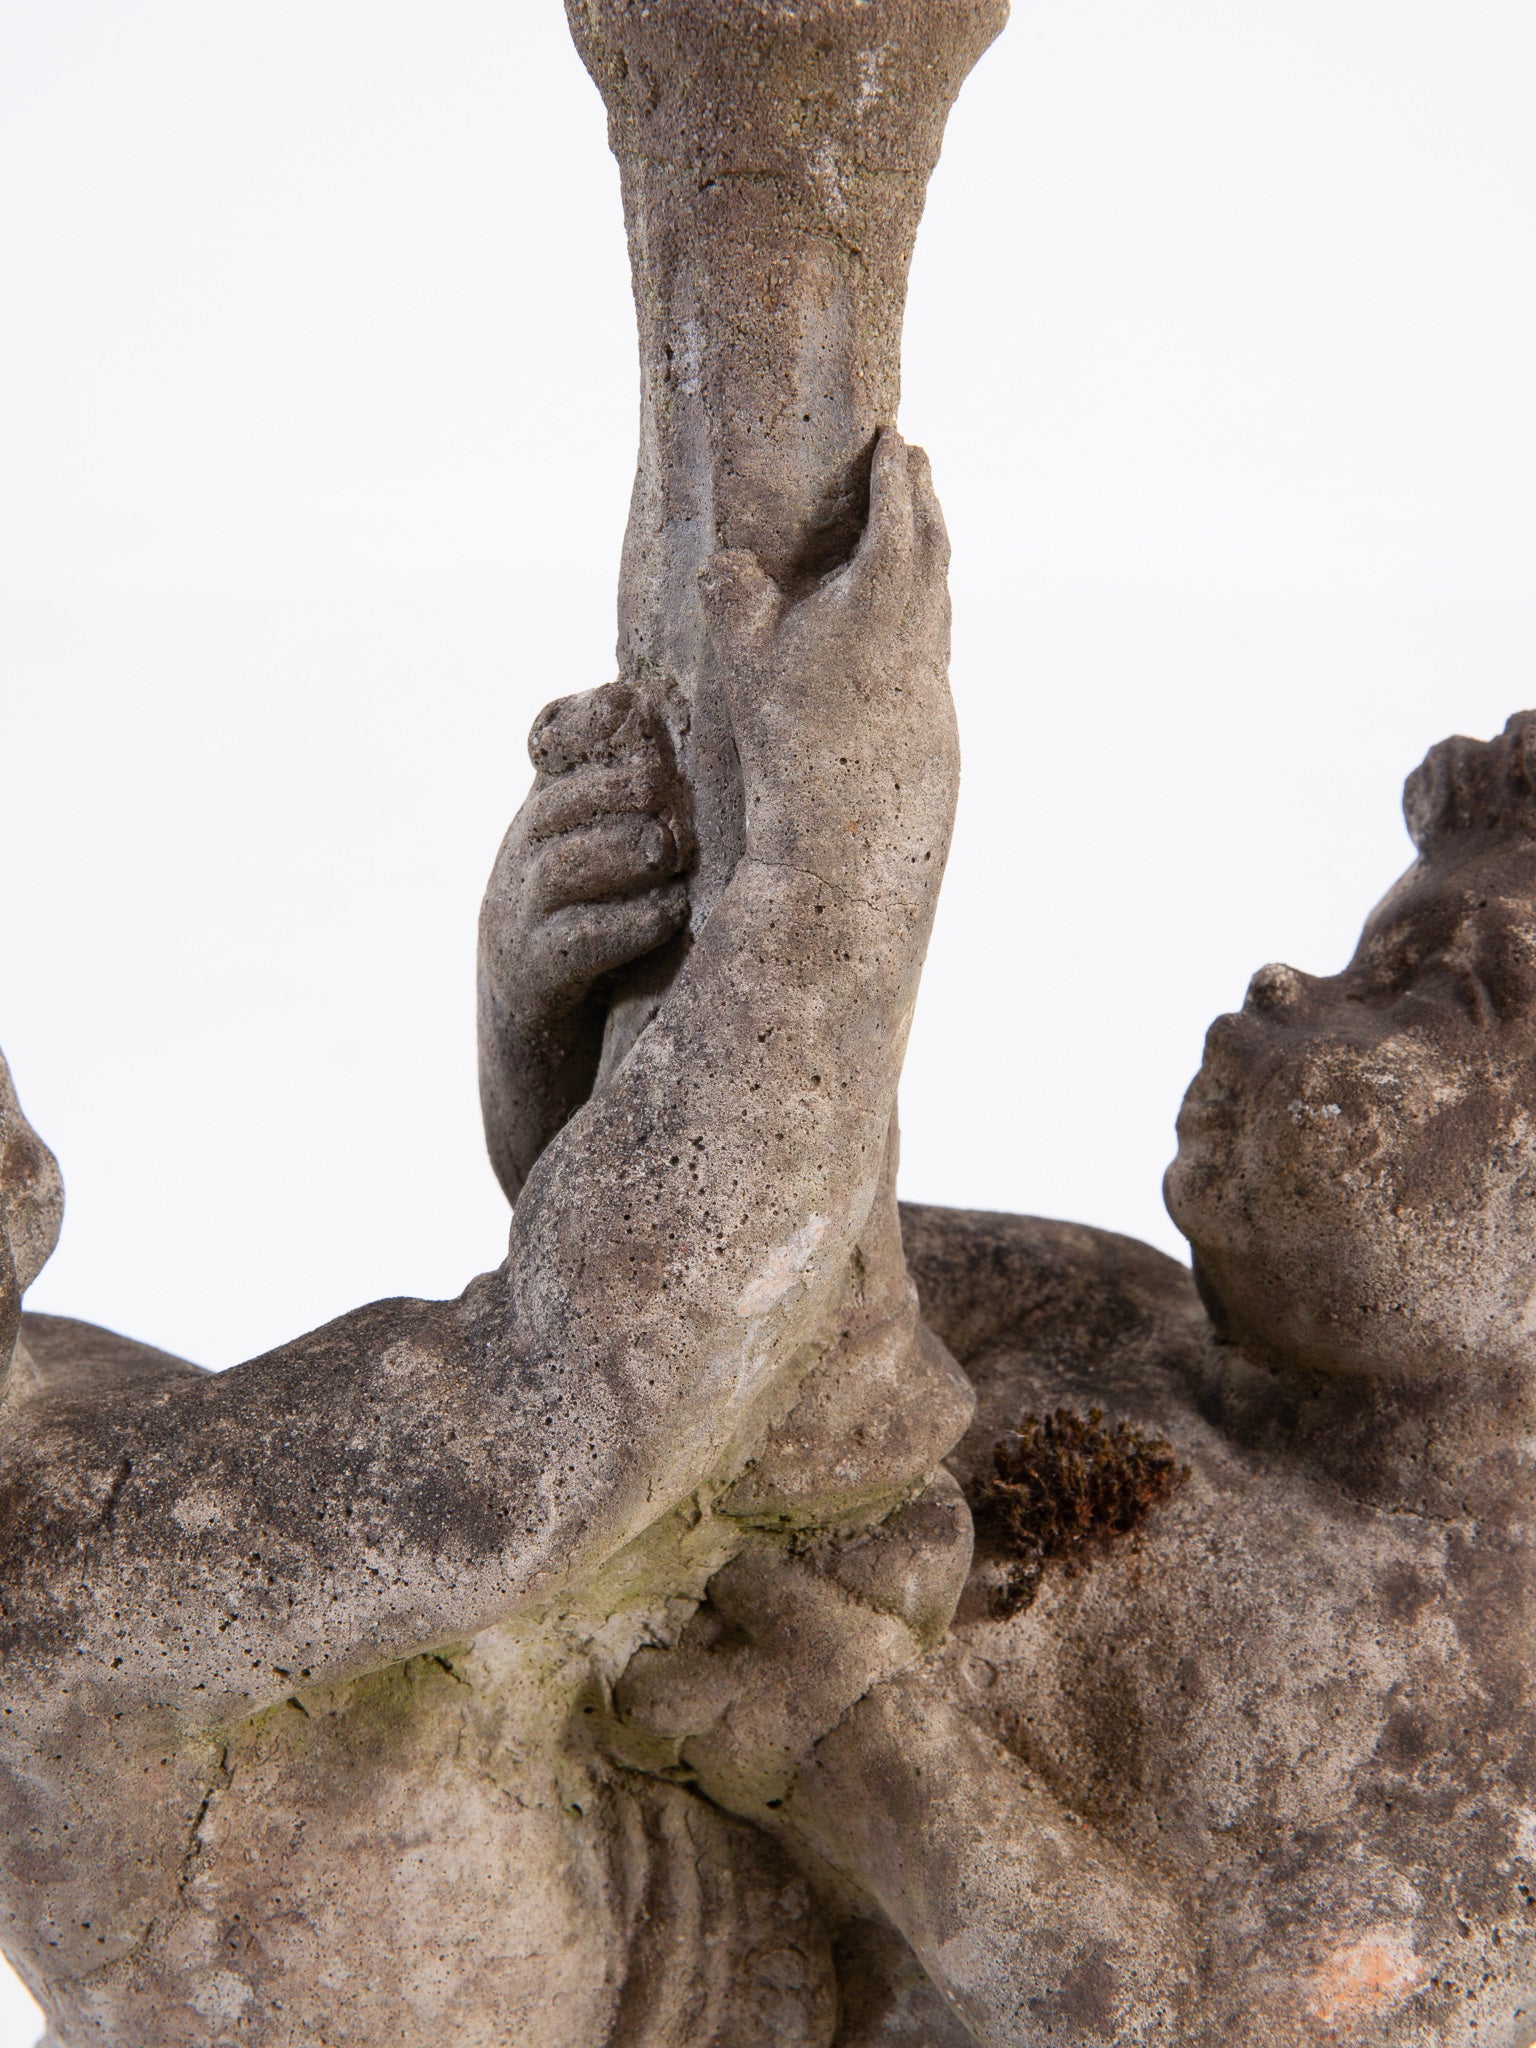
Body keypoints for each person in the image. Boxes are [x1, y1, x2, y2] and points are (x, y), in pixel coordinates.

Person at [0, 435, 973, 2048]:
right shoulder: (64, 1567)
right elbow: (562, 1407)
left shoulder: (47, 1420)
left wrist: (539, 1038)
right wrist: (837, 862)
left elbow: (532, 1400)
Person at [612, 714, 1536, 2045]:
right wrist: (559, 1012)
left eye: (1417, 996)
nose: (1286, 984)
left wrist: (867, 1740)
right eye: (1358, 959)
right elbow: (688, 1262)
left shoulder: (1482, 1740)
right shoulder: (1093, 1301)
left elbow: (1195, 2025)